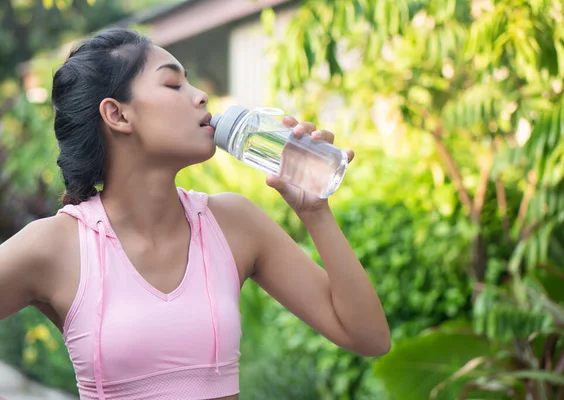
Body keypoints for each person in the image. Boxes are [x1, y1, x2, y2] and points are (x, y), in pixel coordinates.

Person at [0, 28, 390, 400]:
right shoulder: (58, 244)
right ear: (117, 115)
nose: (201, 95)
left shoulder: (234, 223)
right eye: (173, 84)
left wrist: (316, 212)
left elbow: (369, 337)